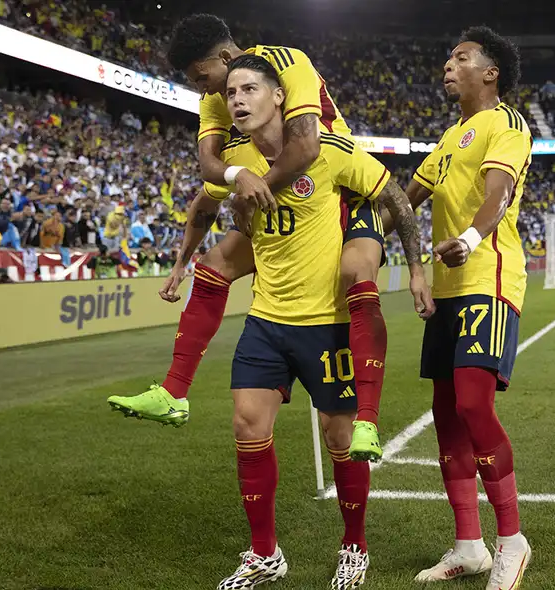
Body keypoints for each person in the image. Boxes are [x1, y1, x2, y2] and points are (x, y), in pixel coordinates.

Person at [127, 55, 427, 589]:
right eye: (232, 92)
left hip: (327, 324)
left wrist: (417, 268)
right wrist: (181, 261)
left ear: (280, 97)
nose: (236, 100)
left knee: (341, 439)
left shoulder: (331, 152)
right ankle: (265, 553)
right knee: (247, 425)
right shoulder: (235, 160)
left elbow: (396, 200)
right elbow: (203, 204)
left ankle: (354, 545)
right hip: (266, 321)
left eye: (249, 90)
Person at [110, 14, 390, 462]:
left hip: (341, 193)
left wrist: (256, 189)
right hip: (278, 194)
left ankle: (368, 418)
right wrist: (239, 179)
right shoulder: (216, 98)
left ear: (226, 58)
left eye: (203, 78)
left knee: (355, 272)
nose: (205, 91)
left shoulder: (287, 64)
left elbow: (306, 148)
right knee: (214, 265)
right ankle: (174, 393)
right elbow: (209, 167)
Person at [394, 27, 533, 589]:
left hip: (489, 278)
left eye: (461, 57)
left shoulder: (508, 125)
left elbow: (497, 192)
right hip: (448, 293)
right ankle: (469, 546)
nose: (449, 65)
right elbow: (405, 202)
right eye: (448, 57)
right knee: (447, 418)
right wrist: (409, 261)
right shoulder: (450, 137)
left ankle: (513, 540)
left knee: (475, 406)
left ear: (490, 71)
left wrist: (471, 241)